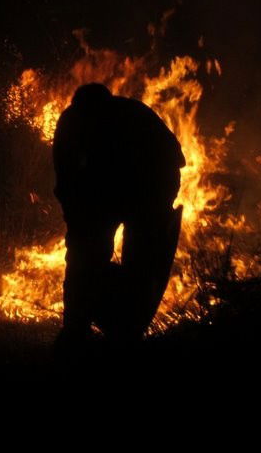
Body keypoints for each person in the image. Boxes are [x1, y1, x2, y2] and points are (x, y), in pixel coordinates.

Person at [52, 83, 185, 348]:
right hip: (103, 194)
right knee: (85, 257)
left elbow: (173, 159)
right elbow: (65, 178)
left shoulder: (131, 115)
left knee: (135, 263)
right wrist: (76, 219)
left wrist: (159, 203)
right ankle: (77, 331)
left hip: (146, 192)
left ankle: (124, 329)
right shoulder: (72, 123)